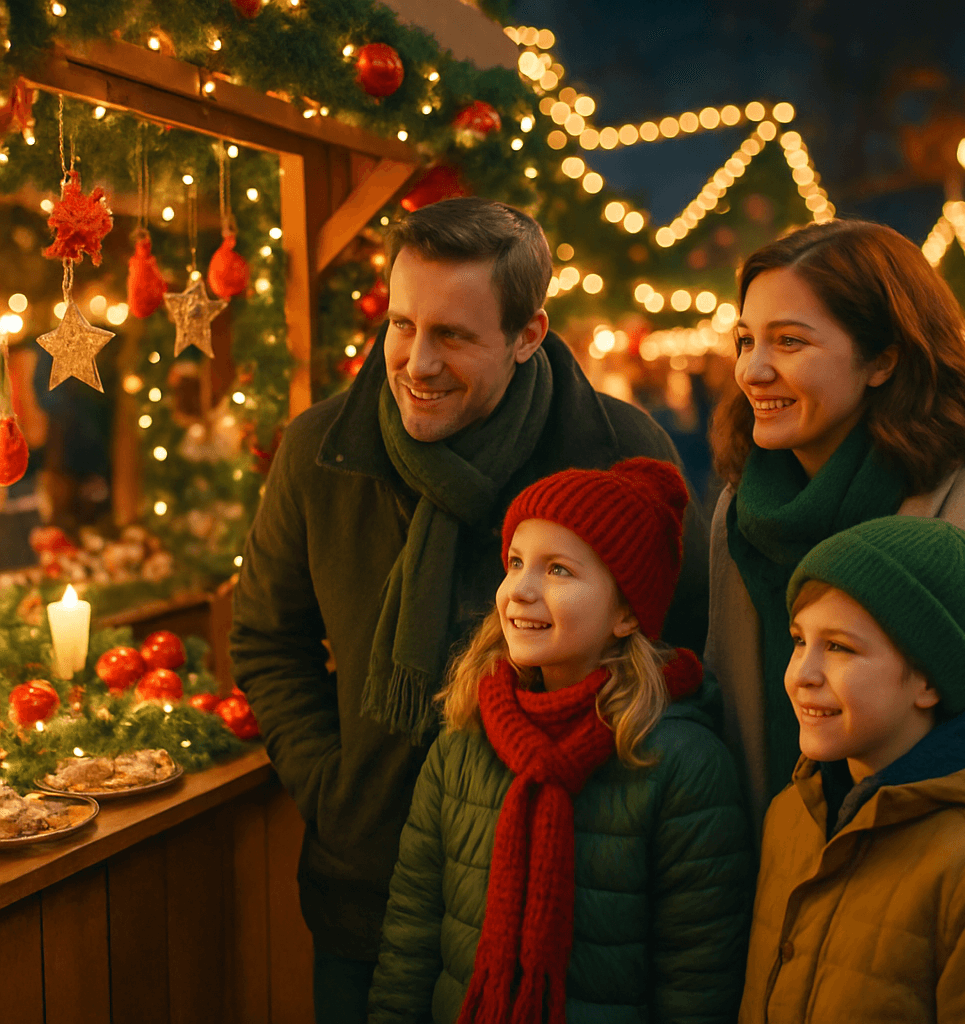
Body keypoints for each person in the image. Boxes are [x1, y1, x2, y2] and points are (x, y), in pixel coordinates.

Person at [229, 198, 710, 1023]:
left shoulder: (620, 454)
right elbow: (270, 641)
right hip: (369, 895)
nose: (416, 361)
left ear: (528, 334)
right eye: (402, 324)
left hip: (567, 910)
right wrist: (335, 789)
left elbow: (678, 654)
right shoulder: (322, 450)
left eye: (453, 335)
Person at [367, 459, 752, 1024]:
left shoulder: (680, 763)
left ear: (625, 612)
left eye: (559, 571)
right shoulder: (464, 740)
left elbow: (696, 979)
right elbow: (409, 938)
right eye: (516, 562)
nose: (519, 590)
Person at [705, 218, 965, 826]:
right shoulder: (737, 512)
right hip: (761, 878)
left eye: (790, 341)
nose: (753, 370)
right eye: (746, 340)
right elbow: (727, 709)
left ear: (882, 360)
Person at [740, 515, 965, 1023]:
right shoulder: (792, 814)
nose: (801, 674)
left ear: (929, 682)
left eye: (839, 647)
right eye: (800, 640)